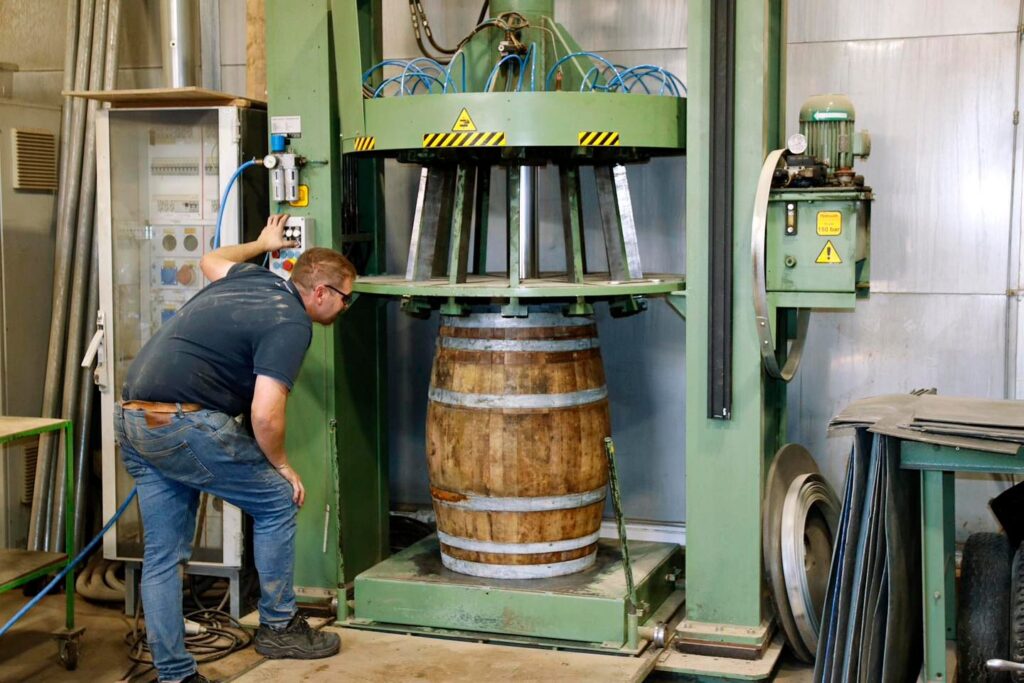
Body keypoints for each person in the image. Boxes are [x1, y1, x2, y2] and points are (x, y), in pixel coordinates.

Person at [114, 213, 354, 683]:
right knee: (278, 499)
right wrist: (282, 466)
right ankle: (280, 625)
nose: (348, 307)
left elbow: (210, 259)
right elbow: (265, 414)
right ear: (321, 293)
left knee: (163, 556)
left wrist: (261, 243)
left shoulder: (255, 277)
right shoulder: (291, 323)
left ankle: (175, 675)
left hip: (132, 418)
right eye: (347, 298)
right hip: (184, 424)